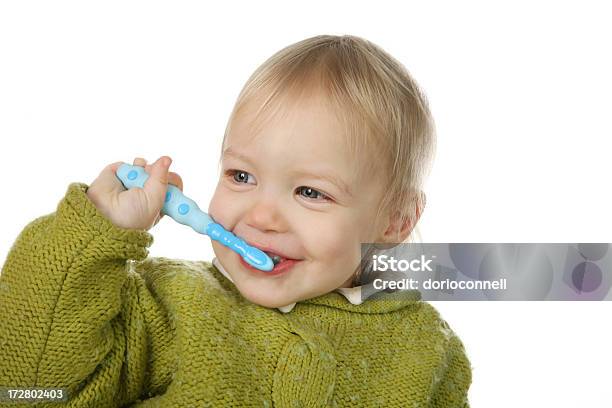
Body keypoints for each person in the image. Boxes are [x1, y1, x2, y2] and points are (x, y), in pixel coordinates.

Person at [0, 34, 472, 407]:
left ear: (394, 221)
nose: (262, 216)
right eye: (241, 176)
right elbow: (29, 389)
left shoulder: (429, 351)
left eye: (310, 192)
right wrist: (94, 235)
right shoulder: (169, 305)